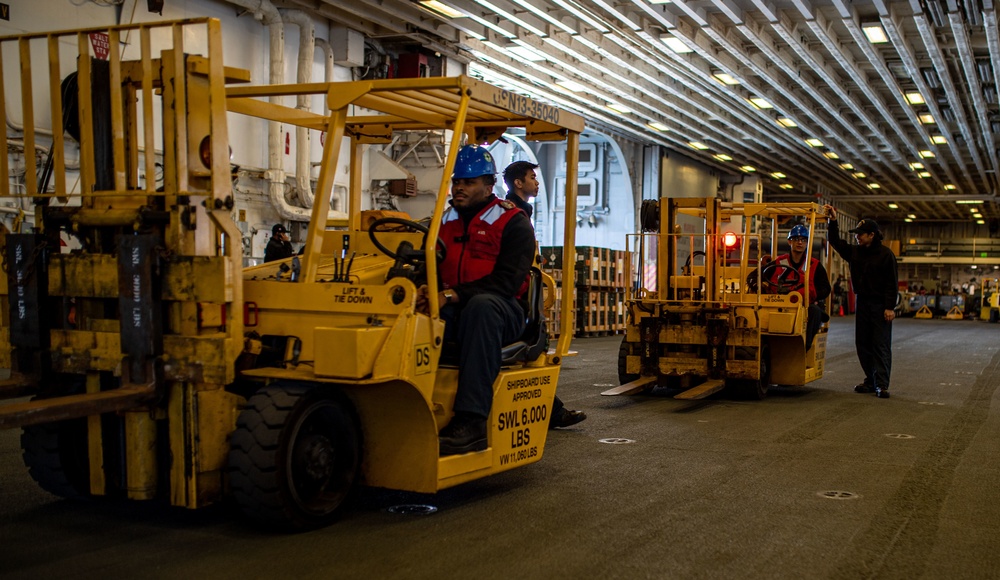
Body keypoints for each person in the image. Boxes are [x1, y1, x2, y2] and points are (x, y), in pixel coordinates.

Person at [420, 145, 537, 455]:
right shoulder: (441, 222)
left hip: (504, 309)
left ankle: (472, 422)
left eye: (468, 182)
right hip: (452, 306)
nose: (460, 187)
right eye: (457, 181)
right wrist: (420, 287)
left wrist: (453, 293)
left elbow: (507, 282)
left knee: (480, 308)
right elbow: (425, 264)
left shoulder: (513, 222)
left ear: (488, 186)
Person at [503, 160, 587, 430]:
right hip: (515, 295)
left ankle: (551, 411)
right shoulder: (511, 212)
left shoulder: (521, 211)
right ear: (518, 183)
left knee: (532, 359)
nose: (536, 182)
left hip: (524, 290)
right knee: (532, 355)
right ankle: (553, 411)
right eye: (531, 177)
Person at [823, 205, 898, 399]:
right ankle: (871, 381)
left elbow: (892, 283)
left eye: (861, 234)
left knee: (880, 345)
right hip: (862, 303)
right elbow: (835, 241)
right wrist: (833, 220)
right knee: (862, 343)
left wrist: (890, 307)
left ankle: (882, 384)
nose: (857, 237)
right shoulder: (855, 252)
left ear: (872, 235)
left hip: (881, 305)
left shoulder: (886, 255)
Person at [764, 224, 831, 350]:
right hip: (780, 303)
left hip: (806, 305)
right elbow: (760, 275)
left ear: (807, 243)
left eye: (803, 240)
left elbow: (826, 288)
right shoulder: (779, 262)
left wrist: (812, 295)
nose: (800, 243)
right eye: (796, 239)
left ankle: (804, 346)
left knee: (815, 312)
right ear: (790, 241)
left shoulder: (814, 265)